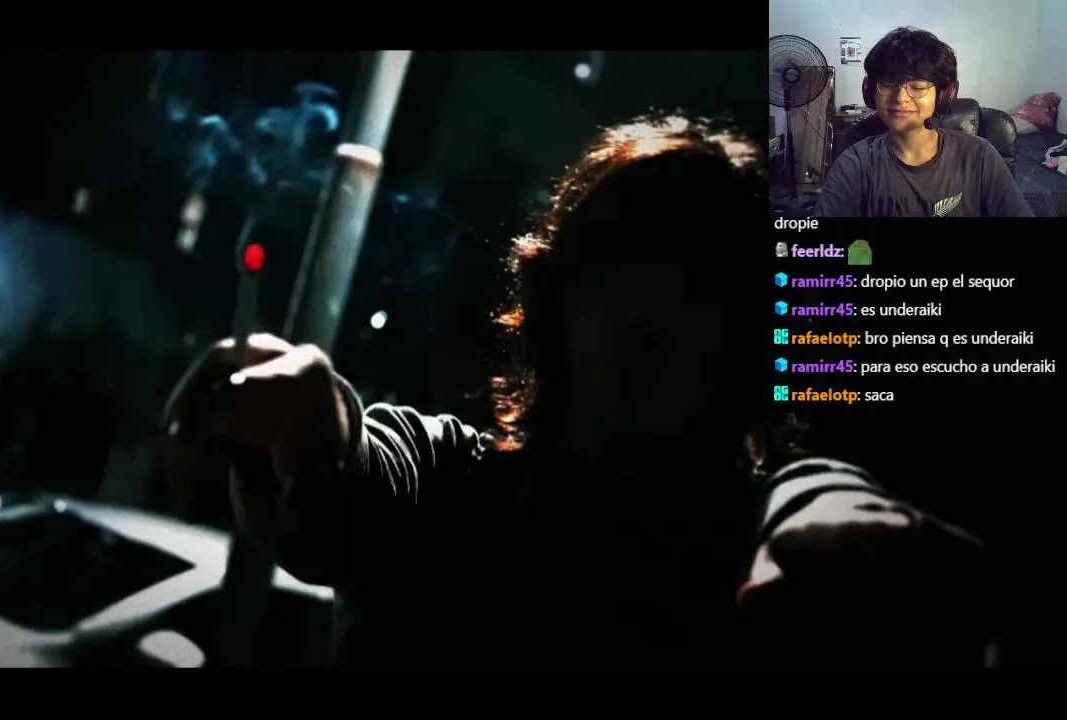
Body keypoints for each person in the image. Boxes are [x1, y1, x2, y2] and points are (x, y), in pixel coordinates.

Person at [165, 115, 989, 668]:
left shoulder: (753, 534)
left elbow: (812, 499)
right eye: (622, 268)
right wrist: (318, 426)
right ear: (560, 297)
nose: (648, 313)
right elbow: (361, 475)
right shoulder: (450, 488)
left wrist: (840, 525)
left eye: (697, 284)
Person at [814, 27, 1034, 217]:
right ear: (870, 90)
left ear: (944, 94)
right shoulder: (853, 164)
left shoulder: (980, 156)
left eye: (917, 87)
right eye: (889, 84)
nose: (901, 98)